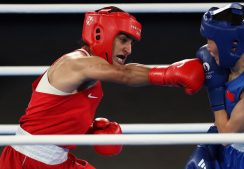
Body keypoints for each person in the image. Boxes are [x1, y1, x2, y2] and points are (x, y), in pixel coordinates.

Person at [0, 6, 205, 169]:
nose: (129, 49)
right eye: (123, 39)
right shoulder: (76, 63)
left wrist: (89, 131)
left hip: (57, 161)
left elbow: (52, 117)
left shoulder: (92, 72)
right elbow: (125, 75)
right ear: (100, 33)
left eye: (131, 42)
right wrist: (170, 73)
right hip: (26, 162)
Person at [186, 3, 244, 169]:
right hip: (231, 151)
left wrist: (214, 88)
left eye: (211, 40)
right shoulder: (227, 63)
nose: (207, 47)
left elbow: (226, 136)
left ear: (231, 44)